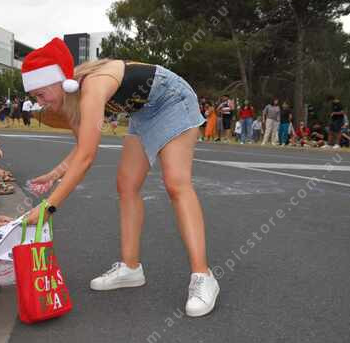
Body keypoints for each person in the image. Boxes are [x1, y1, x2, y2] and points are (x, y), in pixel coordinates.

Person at [23, 38, 219, 317]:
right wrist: (54, 174)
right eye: (35, 97)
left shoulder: (93, 86)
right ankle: (130, 268)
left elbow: (87, 157)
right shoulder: (75, 99)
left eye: (41, 94)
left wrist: (49, 206)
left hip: (172, 99)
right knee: (126, 184)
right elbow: (81, 148)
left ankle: (203, 276)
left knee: (176, 183)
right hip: (143, 111)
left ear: (59, 82)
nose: (39, 102)